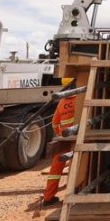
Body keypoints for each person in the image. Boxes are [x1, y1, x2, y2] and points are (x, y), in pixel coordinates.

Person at [42, 78, 76, 206]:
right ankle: (75, 193)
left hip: (63, 139)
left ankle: (48, 197)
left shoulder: (62, 102)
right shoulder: (79, 100)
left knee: (56, 168)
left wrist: (59, 133)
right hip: (77, 137)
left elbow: (54, 123)